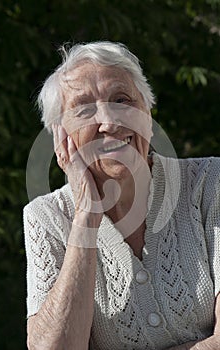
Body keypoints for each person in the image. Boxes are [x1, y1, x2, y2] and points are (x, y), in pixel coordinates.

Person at [24, 41, 220, 350]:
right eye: (85, 109)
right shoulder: (46, 216)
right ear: (61, 137)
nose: (111, 122)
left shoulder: (210, 182)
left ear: (147, 114)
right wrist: (86, 215)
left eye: (122, 100)